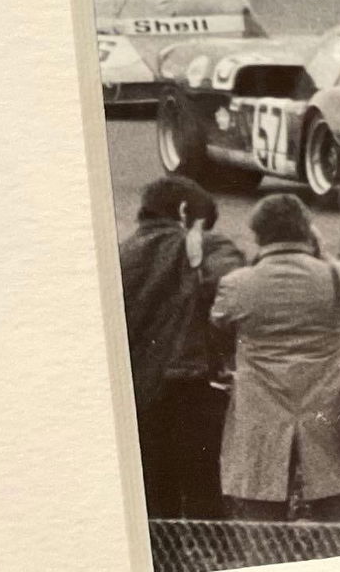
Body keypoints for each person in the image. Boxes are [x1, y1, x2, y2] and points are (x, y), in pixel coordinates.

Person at [211, 194, 340, 521]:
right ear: (308, 231)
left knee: (260, 512)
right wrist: (326, 257)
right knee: (335, 515)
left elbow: (220, 321)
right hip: (330, 404)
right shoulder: (334, 277)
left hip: (262, 408)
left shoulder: (237, 284)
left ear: (257, 235)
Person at [121, 177, 246, 518]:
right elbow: (236, 288)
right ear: (184, 212)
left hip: (136, 391)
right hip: (193, 386)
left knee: (154, 495)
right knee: (205, 488)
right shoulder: (204, 246)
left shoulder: (120, 254)